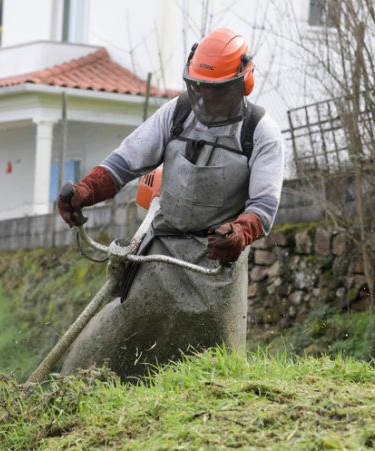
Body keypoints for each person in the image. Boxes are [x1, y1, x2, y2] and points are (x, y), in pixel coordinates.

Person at [58, 28, 285, 381]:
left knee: (208, 361)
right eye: (199, 89)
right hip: (161, 249)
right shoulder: (177, 114)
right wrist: (85, 191)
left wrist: (239, 233)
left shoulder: (259, 132)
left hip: (216, 263)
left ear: (243, 84)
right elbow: (124, 162)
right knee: (118, 332)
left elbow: (264, 206)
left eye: (216, 92)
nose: (206, 100)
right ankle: (73, 384)